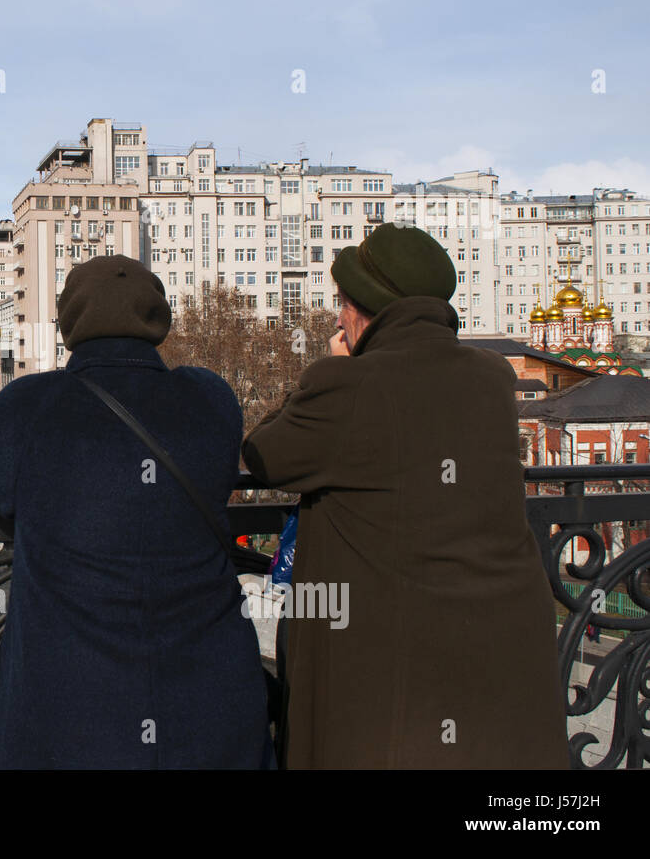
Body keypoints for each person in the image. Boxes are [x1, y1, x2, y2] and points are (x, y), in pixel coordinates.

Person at [241, 223, 568, 769]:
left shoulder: (352, 385)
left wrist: (330, 368)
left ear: (367, 309)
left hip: (394, 691)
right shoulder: (491, 378)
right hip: (502, 665)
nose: (337, 317)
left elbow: (265, 453)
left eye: (343, 303)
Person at [0, 254, 273, 769]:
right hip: (210, 699)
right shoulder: (210, 398)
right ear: (157, 318)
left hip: (72, 711)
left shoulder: (30, 404)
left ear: (69, 325)